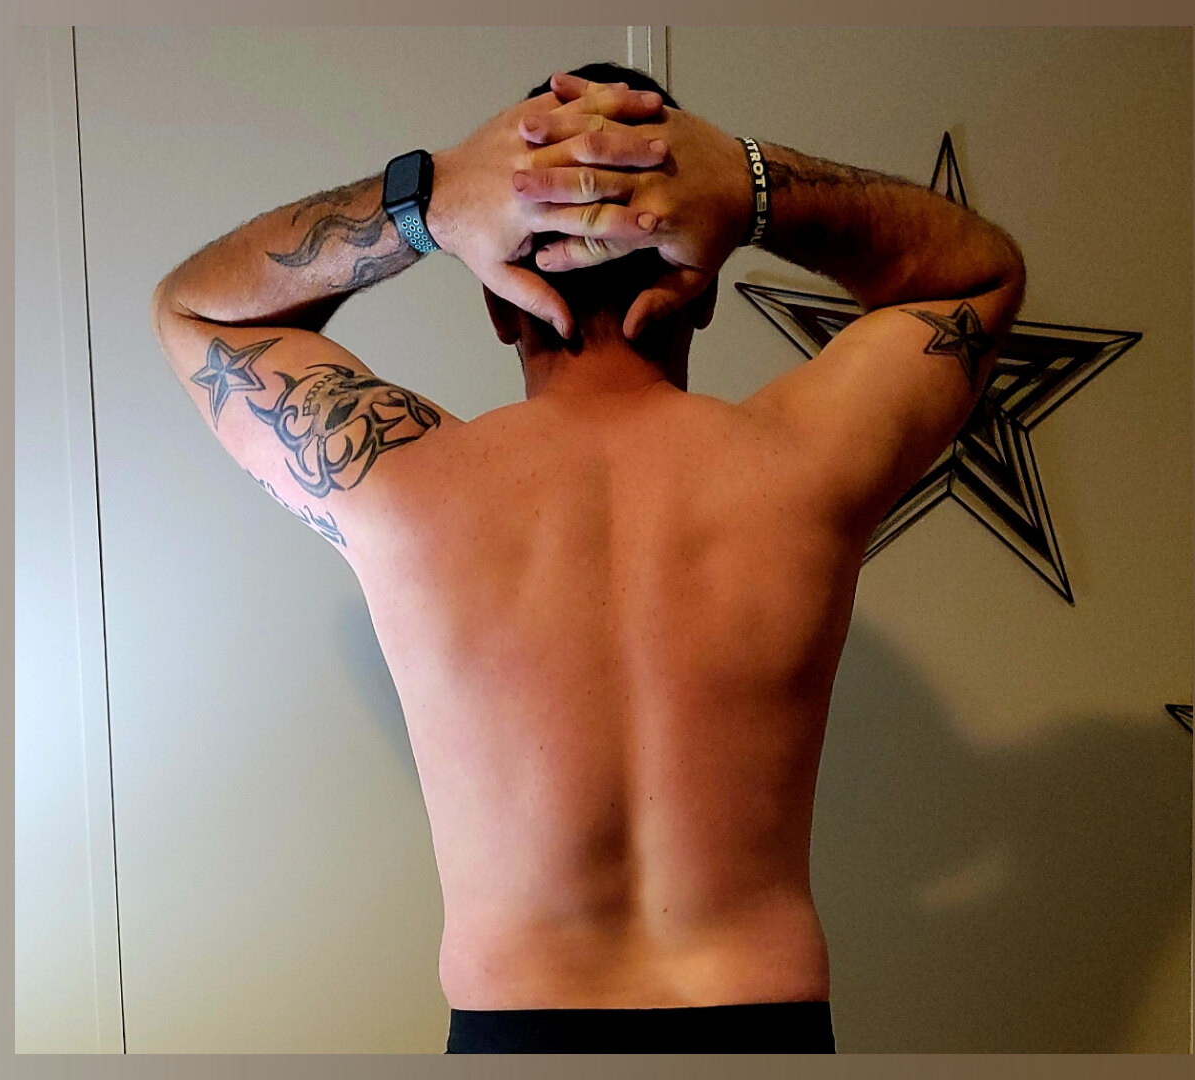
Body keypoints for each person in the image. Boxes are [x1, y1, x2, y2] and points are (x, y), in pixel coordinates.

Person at [150, 61, 1025, 1054]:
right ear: (701, 288)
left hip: (515, 1030)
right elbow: (979, 274)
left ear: (497, 300)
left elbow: (196, 309)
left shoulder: (406, 487)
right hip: (762, 1021)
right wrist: (750, 186)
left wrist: (430, 200)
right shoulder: (801, 464)